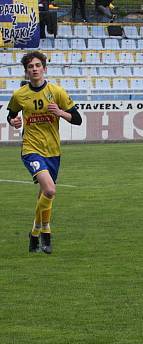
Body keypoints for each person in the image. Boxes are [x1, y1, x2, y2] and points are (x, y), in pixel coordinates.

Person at [6, 51, 83, 254]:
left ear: (44, 68)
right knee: (50, 190)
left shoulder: (56, 92)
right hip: (31, 149)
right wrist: (14, 122)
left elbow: (77, 119)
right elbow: (11, 115)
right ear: (26, 71)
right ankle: (46, 234)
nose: (34, 69)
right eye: (30, 67)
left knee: (43, 195)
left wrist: (60, 113)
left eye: (38, 65)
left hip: (53, 151)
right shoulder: (19, 95)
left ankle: (33, 235)